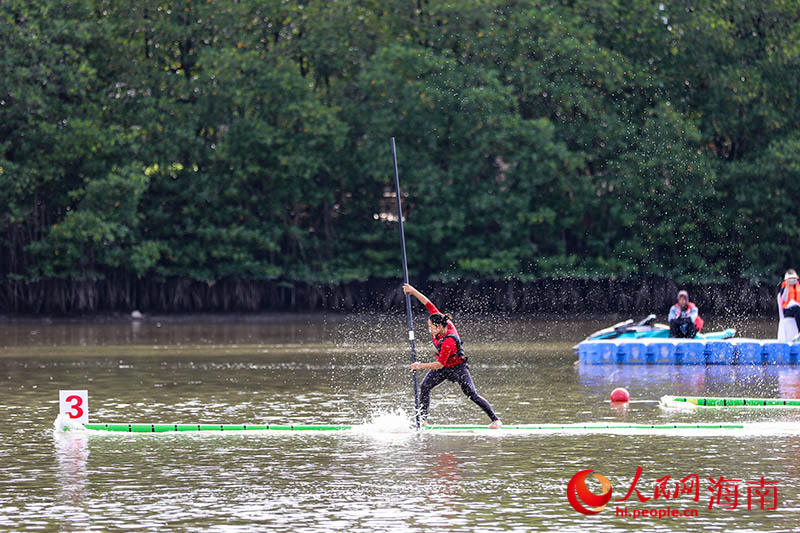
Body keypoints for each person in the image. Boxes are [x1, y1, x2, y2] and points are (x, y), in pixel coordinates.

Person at [402, 283, 502, 429]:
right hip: (444, 367)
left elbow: (439, 364)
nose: (430, 330)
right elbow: (428, 303)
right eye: (429, 327)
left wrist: (420, 366)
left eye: (432, 328)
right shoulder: (439, 319)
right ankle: (423, 420)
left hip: (457, 368)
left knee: (471, 394)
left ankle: (495, 420)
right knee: (425, 386)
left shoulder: (449, 340)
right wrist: (412, 291)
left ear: (441, 327)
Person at [779, 270, 800, 334]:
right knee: (796, 309)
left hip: (797, 309)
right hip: (787, 311)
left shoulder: (798, 286)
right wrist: (787, 286)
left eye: (794, 278)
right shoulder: (784, 286)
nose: (793, 280)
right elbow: (783, 298)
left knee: (797, 309)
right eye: (790, 279)